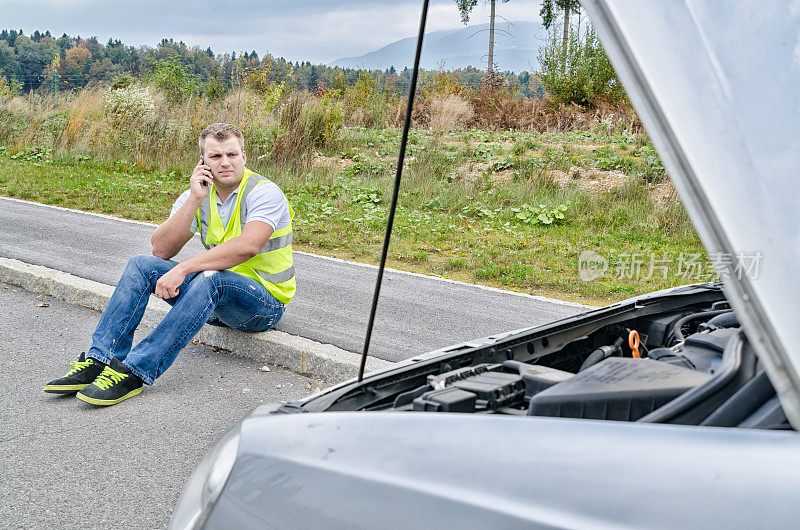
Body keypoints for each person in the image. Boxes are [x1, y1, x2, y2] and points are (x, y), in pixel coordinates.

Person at [43, 123, 295, 406]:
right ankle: (100, 359)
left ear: (244, 157)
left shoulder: (264, 192)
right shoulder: (198, 195)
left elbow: (248, 246)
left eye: (232, 154)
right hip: (210, 299)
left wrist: (184, 268)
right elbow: (161, 249)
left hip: (261, 306)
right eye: (215, 156)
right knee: (141, 264)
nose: (225, 162)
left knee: (211, 277)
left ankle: (135, 371)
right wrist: (193, 201)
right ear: (202, 162)